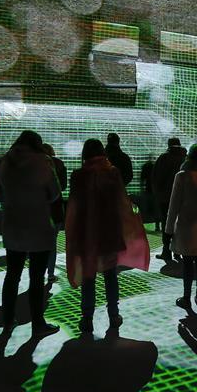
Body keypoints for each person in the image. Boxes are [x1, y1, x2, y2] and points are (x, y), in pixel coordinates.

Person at [66, 139, 149, 335]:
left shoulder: (78, 175)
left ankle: (86, 319)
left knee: (88, 276)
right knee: (110, 275)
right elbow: (122, 203)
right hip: (109, 231)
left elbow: (74, 206)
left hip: (85, 233)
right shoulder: (113, 173)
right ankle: (114, 315)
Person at [0, 131, 61, 338]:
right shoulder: (43, 161)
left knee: (12, 275)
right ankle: (37, 323)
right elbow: (54, 193)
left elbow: (0, 192)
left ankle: (8, 320)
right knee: (36, 278)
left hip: (13, 225)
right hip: (38, 226)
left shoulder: (6, 161)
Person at [166, 144, 197, 314]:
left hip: (187, 225)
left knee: (188, 264)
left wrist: (168, 229)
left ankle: (186, 297)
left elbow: (174, 204)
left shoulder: (182, 176)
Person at [152, 138, 187, 262]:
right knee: (180, 223)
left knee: (167, 223)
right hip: (182, 197)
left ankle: (166, 251)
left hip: (166, 197)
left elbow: (156, 177)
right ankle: (178, 251)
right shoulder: (185, 157)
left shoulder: (164, 158)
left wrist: (158, 193)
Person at [43, 144, 67, 289]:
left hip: (38, 210)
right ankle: (50, 273)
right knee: (52, 243)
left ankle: (38, 273)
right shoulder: (58, 163)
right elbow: (62, 186)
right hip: (55, 208)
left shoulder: (32, 164)